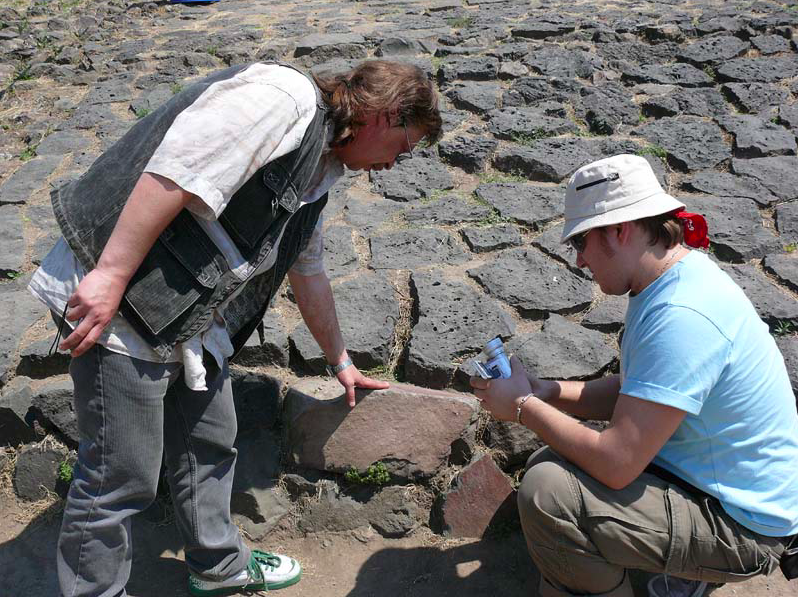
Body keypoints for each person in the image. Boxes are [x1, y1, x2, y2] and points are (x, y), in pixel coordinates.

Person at [28, 59, 441, 597]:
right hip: (121, 301)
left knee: (209, 443)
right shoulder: (284, 97)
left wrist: (341, 361)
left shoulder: (321, 165)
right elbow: (177, 168)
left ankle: (218, 567)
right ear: (387, 116)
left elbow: (306, 268)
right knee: (117, 476)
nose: (394, 164)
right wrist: (109, 274)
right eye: (403, 148)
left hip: (186, 313)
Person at [470, 154, 798, 597]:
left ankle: (687, 569)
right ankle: (678, 570)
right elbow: (638, 391)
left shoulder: (682, 314)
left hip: (744, 529)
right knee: (549, 465)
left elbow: (617, 463)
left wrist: (523, 408)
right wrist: (546, 392)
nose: (581, 262)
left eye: (580, 243)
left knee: (549, 495)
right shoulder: (671, 280)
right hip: (714, 485)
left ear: (619, 231)